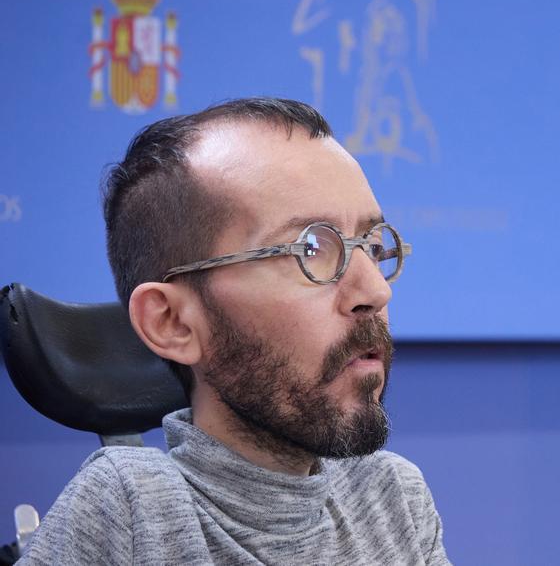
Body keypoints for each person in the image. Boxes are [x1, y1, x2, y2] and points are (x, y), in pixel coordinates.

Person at [18, 98, 450, 565]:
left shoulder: (392, 499)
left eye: (370, 243)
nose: (373, 291)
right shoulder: (131, 508)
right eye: (309, 249)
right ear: (172, 323)